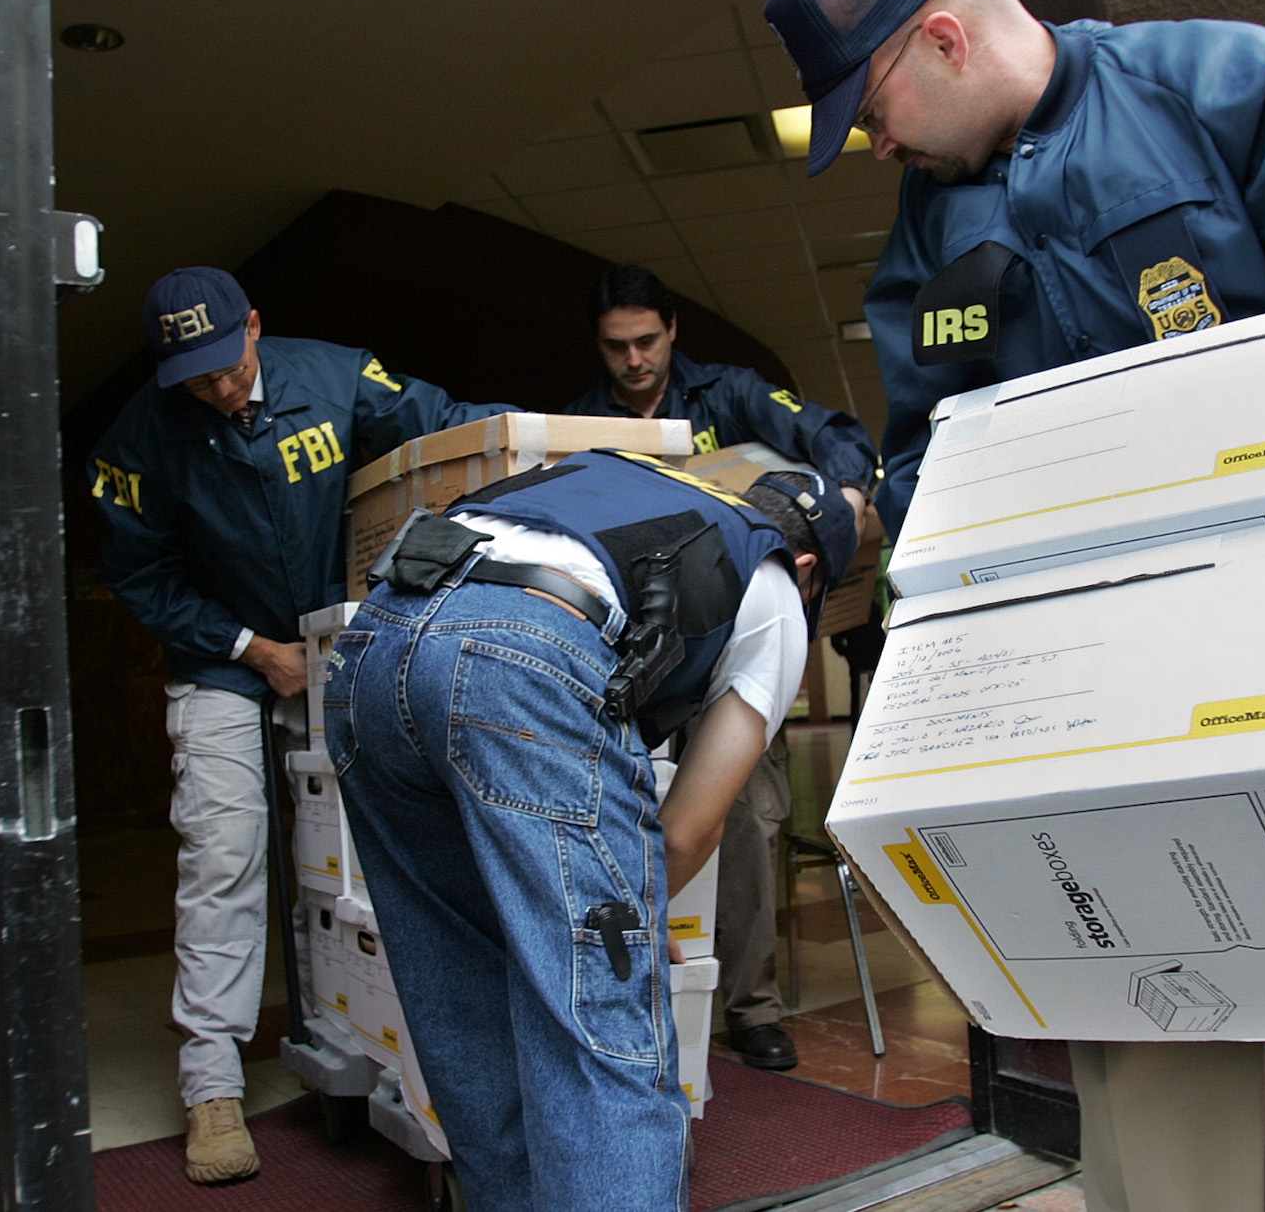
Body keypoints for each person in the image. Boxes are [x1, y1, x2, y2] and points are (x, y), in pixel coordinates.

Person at [766, 0, 1265, 1212]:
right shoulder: (927, 241)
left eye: (866, 105)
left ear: (942, 37)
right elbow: (931, 451)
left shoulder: (1235, 87)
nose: (868, 144)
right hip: (1101, 725)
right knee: (1150, 1063)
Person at [325, 451, 858, 1211]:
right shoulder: (772, 581)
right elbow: (687, 831)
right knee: (603, 1030)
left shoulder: (631, 482)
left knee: (464, 1002)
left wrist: (599, 895)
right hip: (516, 663)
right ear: (808, 567)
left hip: (370, 652)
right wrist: (625, 916)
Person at [86, 266, 517, 1184]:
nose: (220, 389)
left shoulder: (336, 378)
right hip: (221, 661)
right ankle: (210, 1085)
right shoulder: (139, 442)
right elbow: (141, 576)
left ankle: (369, 1042)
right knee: (225, 854)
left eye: (226, 364)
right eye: (194, 378)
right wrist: (249, 647)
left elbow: (446, 423)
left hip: (333, 650)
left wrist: (551, 446)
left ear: (254, 327)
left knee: (358, 858)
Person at [565, 263, 880, 1071]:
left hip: (734, 633)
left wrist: (841, 499)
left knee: (739, 817)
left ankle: (749, 1006)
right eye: (616, 347)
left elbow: (839, 434)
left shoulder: (727, 395)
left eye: (646, 342)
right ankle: (621, 983)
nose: (634, 361)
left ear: (672, 331)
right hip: (632, 646)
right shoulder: (584, 425)